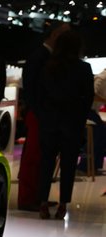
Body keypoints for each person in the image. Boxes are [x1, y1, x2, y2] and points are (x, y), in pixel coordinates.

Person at [36, 30, 94, 219]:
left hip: (50, 123)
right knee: (68, 166)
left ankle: (43, 203)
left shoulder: (48, 67)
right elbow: (88, 98)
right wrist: (80, 117)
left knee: (46, 164)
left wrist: (44, 117)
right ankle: (63, 205)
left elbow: (41, 96)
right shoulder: (83, 68)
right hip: (72, 123)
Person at [17, 21, 70, 211]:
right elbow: (31, 88)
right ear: (55, 35)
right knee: (34, 156)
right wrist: (38, 112)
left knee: (41, 157)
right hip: (39, 114)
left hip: (41, 114)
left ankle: (38, 197)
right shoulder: (40, 56)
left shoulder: (44, 56)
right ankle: (28, 198)